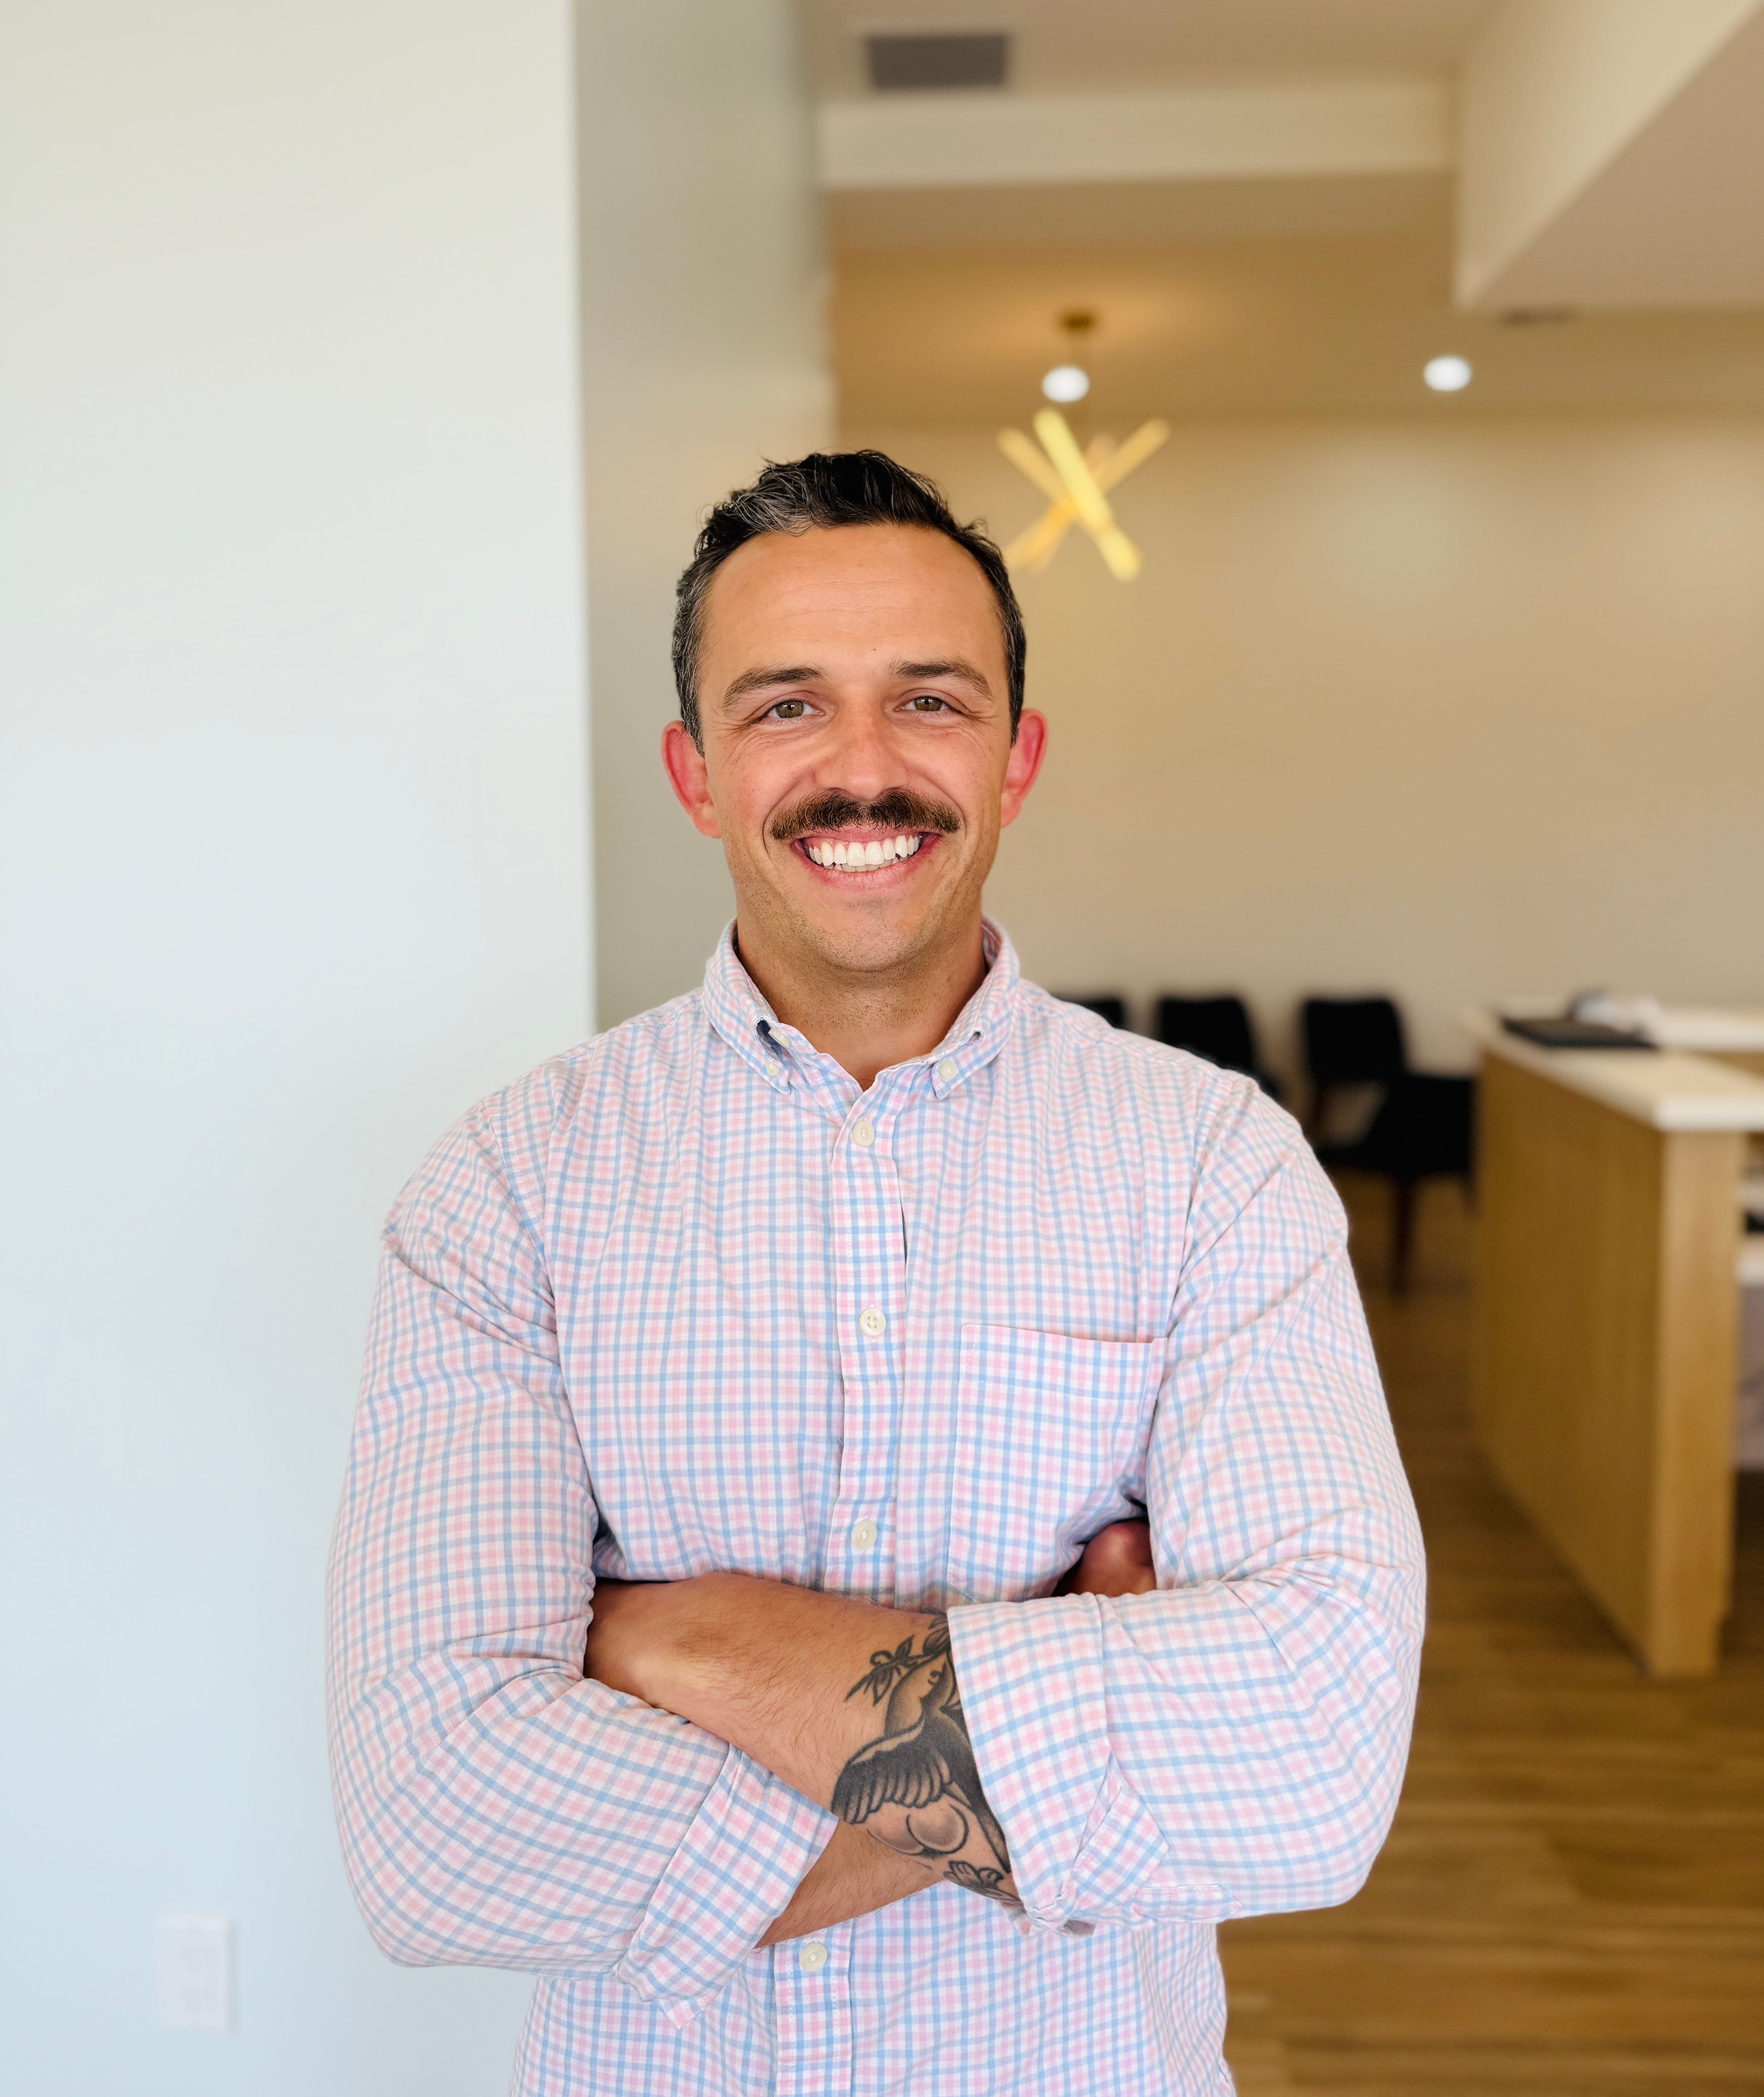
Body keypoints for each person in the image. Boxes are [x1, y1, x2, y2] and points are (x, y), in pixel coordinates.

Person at [326, 451, 1424, 2096]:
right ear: (695, 774)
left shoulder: (1216, 1164)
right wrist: (1067, 1723)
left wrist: (678, 1648)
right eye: (785, 709)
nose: (862, 770)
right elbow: (434, 1827)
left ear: (1016, 755)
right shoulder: (511, 1188)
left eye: (929, 702)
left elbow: (1309, 1768)